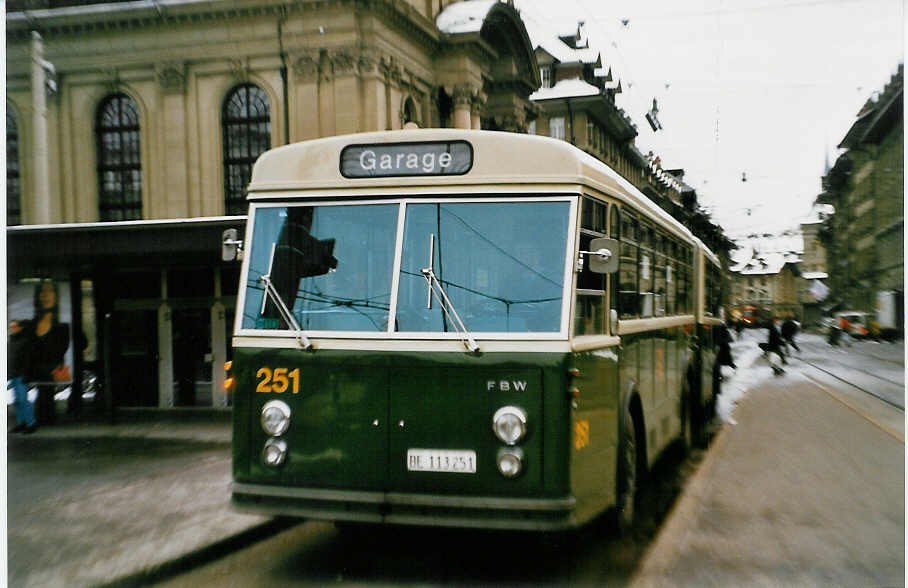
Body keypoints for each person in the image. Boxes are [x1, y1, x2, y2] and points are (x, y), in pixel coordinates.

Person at [29, 280, 71, 426]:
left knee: (47, 392)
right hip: (37, 369)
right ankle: (42, 417)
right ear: (38, 297)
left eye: (50, 291)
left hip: (52, 368)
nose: (46, 295)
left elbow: (62, 348)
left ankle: (48, 418)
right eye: (42, 291)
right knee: (42, 392)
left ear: (56, 296)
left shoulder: (62, 326)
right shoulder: (30, 325)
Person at [8, 320, 38, 434]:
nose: (12, 328)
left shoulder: (25, 341)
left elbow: (28, 361)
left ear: (20, 328)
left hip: (21, 375)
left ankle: (31, 424)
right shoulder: (11, 341)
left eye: (15, 326)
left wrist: (27, 375)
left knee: (22, 400)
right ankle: (22, 423)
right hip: (14, 375)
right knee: (17, 401)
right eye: (11, 327)